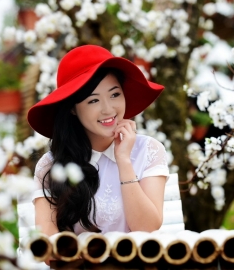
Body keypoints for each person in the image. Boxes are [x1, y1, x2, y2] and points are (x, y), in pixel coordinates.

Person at [27, 45, 169, 242]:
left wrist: (124, 160)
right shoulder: (51, 165)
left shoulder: (149, 150)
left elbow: (146, 228)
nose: (108, 109)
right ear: (73, 109)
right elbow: (48, 245)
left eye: (115, 94)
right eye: (93, 101)